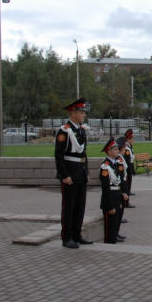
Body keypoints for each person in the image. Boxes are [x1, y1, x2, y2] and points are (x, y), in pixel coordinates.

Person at [54, 97, 92, 249]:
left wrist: (86, 171)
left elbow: (83, 154)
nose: (84, 115)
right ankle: (67, 236)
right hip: (70, 174)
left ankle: (77, 234)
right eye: (81, 112)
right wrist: (64, 175)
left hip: (80, 173)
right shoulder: (65, 131)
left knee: (79, 207)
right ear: (73, 113)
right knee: (69, 207)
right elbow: (59, 155)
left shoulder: (80, 130)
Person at [99, 138, 126, 244]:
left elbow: (119, 183)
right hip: (109, 200)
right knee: (109, 228)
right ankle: (108, 247)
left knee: (114, 225)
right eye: (115, 149)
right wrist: (110, 206)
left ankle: (113, 244)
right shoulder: (105, 167)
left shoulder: (115, 164)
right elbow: (106, 188)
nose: (118, 151)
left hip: (116, 198)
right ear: (109, 151)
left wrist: (119, 201)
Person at [115, 137, 129, 242]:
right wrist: (123, 191)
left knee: (120, 212)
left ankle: (117, 233)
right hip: (119, 186)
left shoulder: (120, 158)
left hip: (123, 183)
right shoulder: (118, 160)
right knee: (117, 213)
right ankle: (114, 234)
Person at [122, 129, 136, 211]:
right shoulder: (127, 148)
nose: (133, 141)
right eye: (132, 139)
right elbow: (127, 161)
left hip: (129, 169)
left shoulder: (129, 147)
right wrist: (130, 171)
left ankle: (126, 200)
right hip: (127, 170)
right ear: (128, 139)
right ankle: (125, 202)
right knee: (126, 186)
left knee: (128, 185)